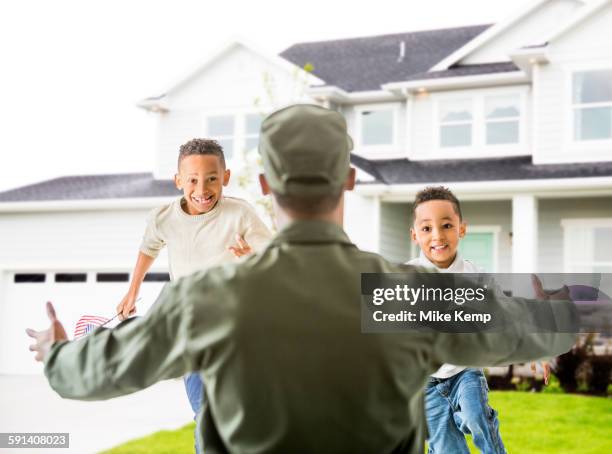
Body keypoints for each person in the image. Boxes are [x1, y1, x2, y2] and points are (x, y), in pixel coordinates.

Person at [27, 104, 577, 454]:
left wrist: (55, 352)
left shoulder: (209, 299)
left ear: (265, 183)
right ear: (350, 180)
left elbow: (96, 373)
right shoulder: (399, 293)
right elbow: (530, 329)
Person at [115, 137, 272, 452]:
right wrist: (132, 291)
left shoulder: (240, 215)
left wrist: (248, 259)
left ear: (225, 178)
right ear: (178, 181)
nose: (203, 188)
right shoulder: (164, 218)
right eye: (193, 180)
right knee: (204, 412)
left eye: (212, 178)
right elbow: (149, 248)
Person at [407, 186, 505, 454]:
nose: (437, 235)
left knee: (476, 417)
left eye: (447, 225)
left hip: (465, 371)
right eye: (427, 228)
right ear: (415, 235)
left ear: (461, 229)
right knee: (446, 448)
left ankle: (468, 420)